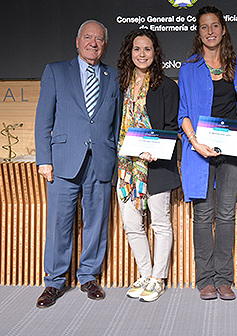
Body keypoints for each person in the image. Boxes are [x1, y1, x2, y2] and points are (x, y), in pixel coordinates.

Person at [34, 19, 120, 308]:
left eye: (98, 39)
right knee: (59, 223)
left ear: (104, 45)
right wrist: (43, 160)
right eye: (88, 37)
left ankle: (88, 276)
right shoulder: (56, 71)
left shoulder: (114, 76)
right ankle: (55, 282)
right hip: (63, 162)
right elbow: (43, 119)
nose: (93, 43)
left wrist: (117, 160)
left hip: (101, 161)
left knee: (96, 222)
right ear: (77, 41)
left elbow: (117, 124)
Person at [178, 6, 237, 300]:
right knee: (202, 216)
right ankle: (205, 280)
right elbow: (183, 112)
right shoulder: (188, 68)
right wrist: (195, 142)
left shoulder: (235, 66)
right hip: (200, 150)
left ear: (224, 30)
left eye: (215, 26)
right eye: (204, 27)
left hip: (232, 151)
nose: (210, 31)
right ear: (198, 32)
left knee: (226, 215)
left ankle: (224, 278)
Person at [115, 29, 180, 302]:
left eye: (147, 49)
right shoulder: (119, 86)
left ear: (156, 53)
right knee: (132, 224)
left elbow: (171, 128)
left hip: (156, 166)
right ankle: (144, 274)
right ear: (129, 53)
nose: (142, 54)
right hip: (126, 168)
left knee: (160, 224)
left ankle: (158, 279)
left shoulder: (167, 86)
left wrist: (156, 151)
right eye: (137, 49)